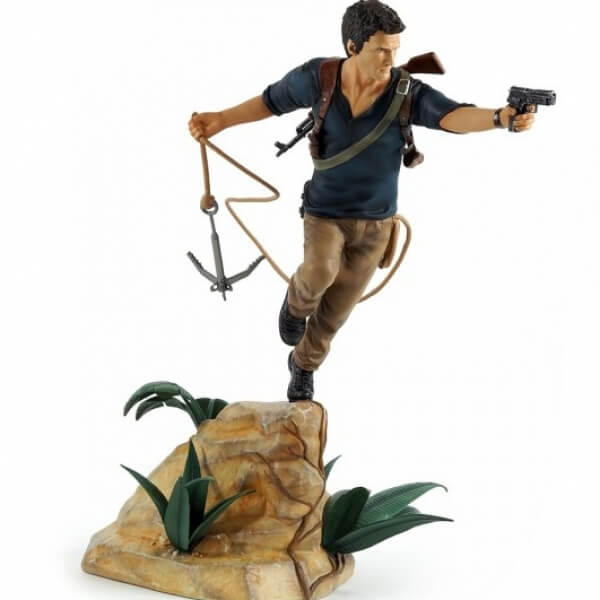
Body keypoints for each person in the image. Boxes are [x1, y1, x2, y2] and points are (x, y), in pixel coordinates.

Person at [188, 0, 535, 402]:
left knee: (336, 311)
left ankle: (303, 365)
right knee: (318, 272)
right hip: (324, 213)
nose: (391, 59)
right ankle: (296, 305)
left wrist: (499, 118)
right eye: (381, 50)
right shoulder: (319, 78)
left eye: (396, 49)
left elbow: (450, 116)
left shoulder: (406, 92)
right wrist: (221, 119)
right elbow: (271, 101)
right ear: (352, 47)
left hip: (375, 225)